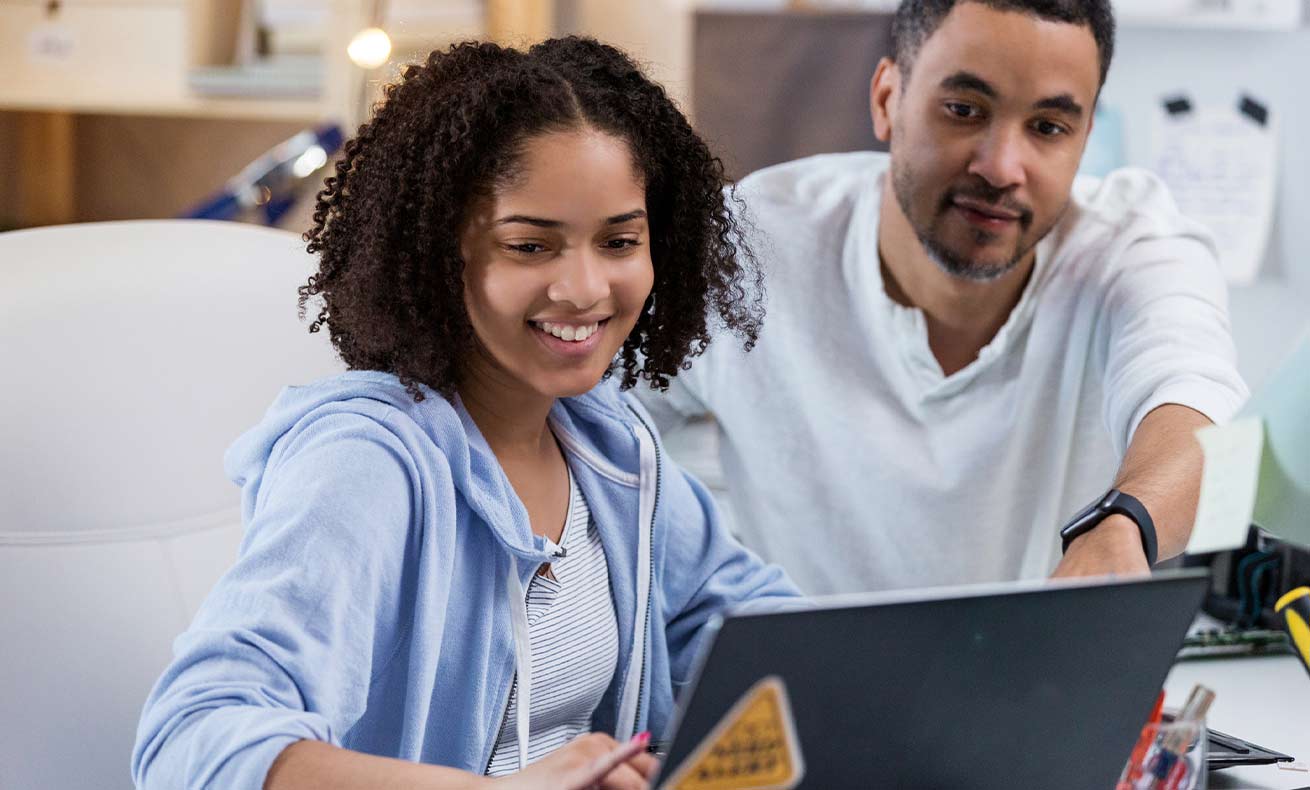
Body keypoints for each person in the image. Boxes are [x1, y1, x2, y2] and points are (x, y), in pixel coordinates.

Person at [131, 37, 798, 790]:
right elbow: (194, 739)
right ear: (439, 254)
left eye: (620, 241)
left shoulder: (608, 443)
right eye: (529, 246)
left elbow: (754, 629)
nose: (585, 288)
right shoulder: (368, 460)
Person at [640, 0, 1249, 595]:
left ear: (1085, 137)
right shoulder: (749, 245)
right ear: (887, 99)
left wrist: (1124, 528)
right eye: (964, 109)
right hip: (796, 687)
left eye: (1048, 127)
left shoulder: (1135, 248)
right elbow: (598, 429)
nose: (1002, 166)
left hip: (1047, 680)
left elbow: (1209, 419)